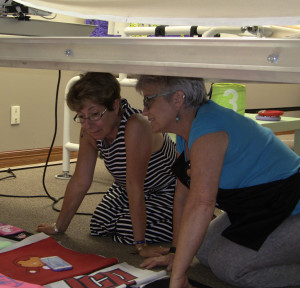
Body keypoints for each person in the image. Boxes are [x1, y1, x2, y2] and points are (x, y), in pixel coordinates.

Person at [135, 75, 300, 288]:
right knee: (201, 248)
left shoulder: (210, 128)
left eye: (149, 100)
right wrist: (175, 254)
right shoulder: (187, 128)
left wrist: (177, 277)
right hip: (259, 208)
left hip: (291, 207)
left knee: (230, 267)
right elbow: (183, 196)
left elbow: (201, 204)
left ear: (178, 99)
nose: (144, 111)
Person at [36, 72, 177, 257]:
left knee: (126, 230)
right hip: (125, 188)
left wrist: (141, 245)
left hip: (167, 190)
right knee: (99, 225)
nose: (88, 124)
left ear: (115, 105)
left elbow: (135, 186)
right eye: (81, 116)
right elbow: (80, 180)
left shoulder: (136, 126)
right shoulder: (90, 129)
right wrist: (58, 227)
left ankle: (188, 220)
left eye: (95, 114)